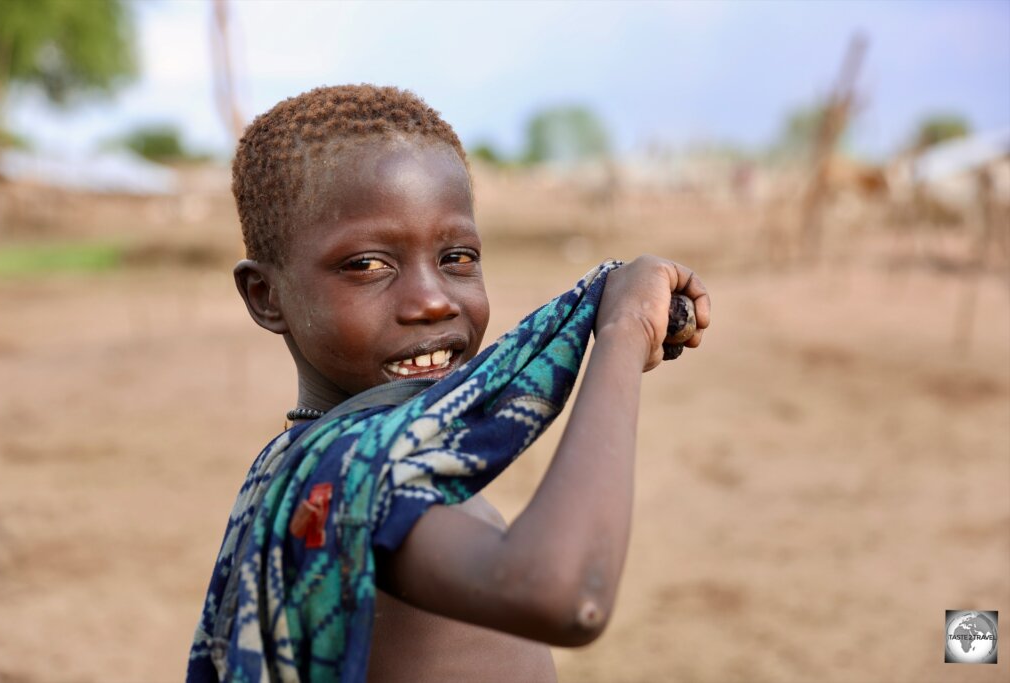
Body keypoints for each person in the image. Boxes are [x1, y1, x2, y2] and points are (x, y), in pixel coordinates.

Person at [187, 84, 710, 683]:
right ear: (265, 295)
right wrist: (620, 334)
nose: (433, 301)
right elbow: (569, 597)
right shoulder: (349, 486)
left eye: (457, 257)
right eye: (366, 265)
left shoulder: (356, 471)